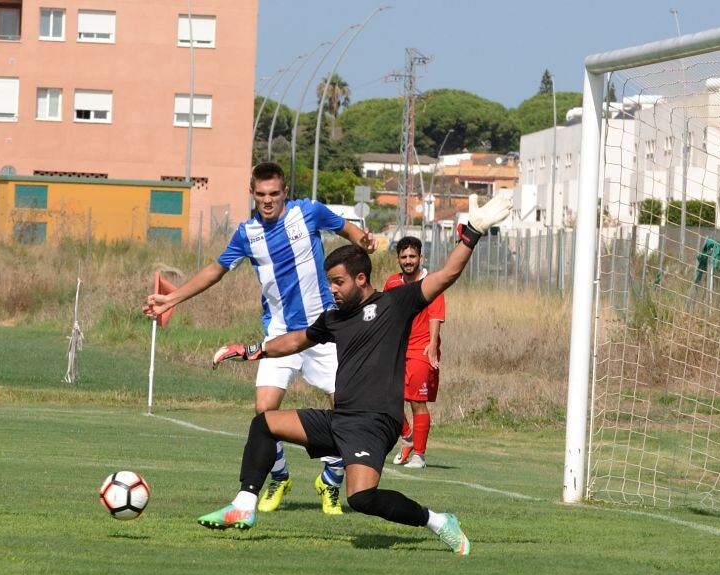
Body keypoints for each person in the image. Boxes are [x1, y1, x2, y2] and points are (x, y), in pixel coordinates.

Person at [198, 194, 513, 555]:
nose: (331, 289)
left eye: (337, 282)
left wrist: (471, 233)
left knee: (362, 498)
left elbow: (447, 275)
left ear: (361, 279)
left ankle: (439, 521)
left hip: (374, 422)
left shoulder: (395, 304)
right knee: (265, 422)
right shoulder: (334, 318)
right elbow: (296, 340)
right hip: (340, 419)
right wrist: (250, 351)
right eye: (329, 282)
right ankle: (244, 504)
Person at [144, 162, 375, 515]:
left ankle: (330, 478)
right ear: (252, 194)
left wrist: (362, 239)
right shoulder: (246, 234)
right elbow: (215, 270)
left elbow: (346, 229)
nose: (268, 201)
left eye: (274, 194)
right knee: (264, 413)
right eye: (261, 195)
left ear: (285, 193)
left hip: (323, 331)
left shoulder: (308, 212)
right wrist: (172, 298)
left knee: (346, 414)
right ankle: (279, 475)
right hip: (281, 335)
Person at [385, 236, 445, 469]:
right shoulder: (392, 283)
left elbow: (435, 316)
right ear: (398, 259)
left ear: (420, 257)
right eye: (404, 257)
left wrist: (431, 345)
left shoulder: (432, 282)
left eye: (412, 256)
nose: (408, 261)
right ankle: (408, 436)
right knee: (386, 397)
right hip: (397, 349)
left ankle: (419, 456)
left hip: (421, 349)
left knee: (416, 402)